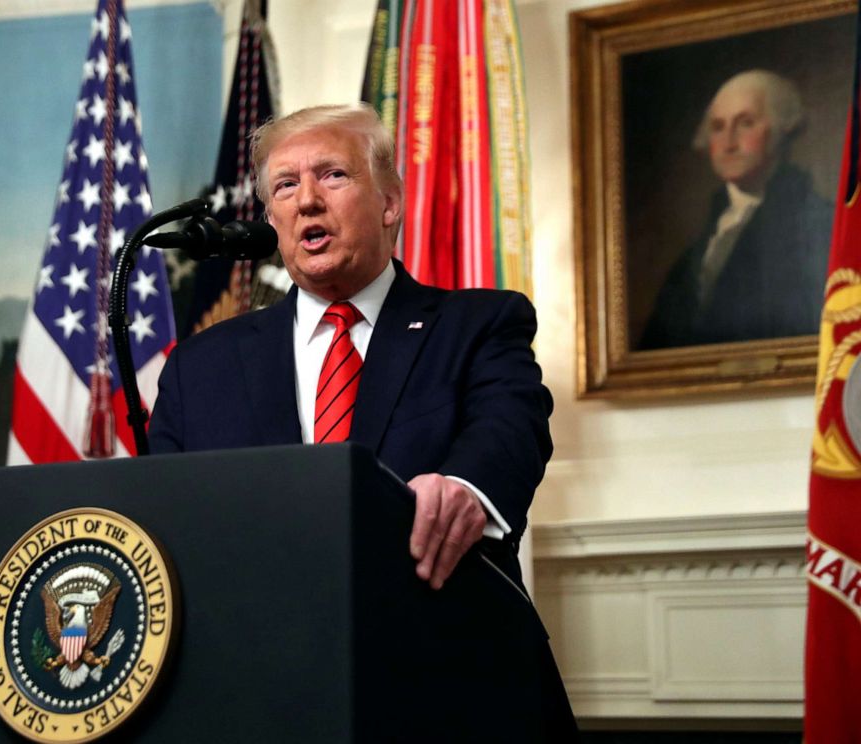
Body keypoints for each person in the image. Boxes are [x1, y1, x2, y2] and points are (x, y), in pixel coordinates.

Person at [148, 103, 575, 737]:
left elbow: (511, 426)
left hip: (449, 687)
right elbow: (167, 519)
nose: (307, 201)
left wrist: (466, 488)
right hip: (263, 697)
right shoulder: (200, 366)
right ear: (271, 217)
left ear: (390, 202)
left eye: (333, 175)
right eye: (286, 186)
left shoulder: (476, 325)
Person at [639, 70, 832, 349]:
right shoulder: (693, 256)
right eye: (718, 127)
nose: (728, 143)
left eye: (745, 123)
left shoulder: (821, 225)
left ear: (780, 129)